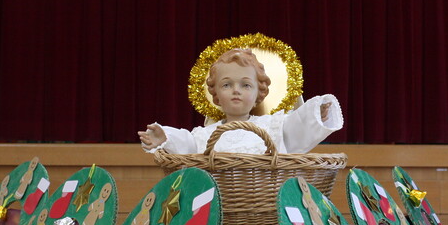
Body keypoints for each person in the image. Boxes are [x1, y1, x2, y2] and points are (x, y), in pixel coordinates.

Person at [138, 48, 343, 154]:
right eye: (227, 85)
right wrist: (165, 137)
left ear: (259, 93)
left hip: (266, 206)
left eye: (245, 85)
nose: (236, 91)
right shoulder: (205, 135)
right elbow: (186, 143)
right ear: (216, 93)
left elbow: (299, 125)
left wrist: (317, 113)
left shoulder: (273, 127)